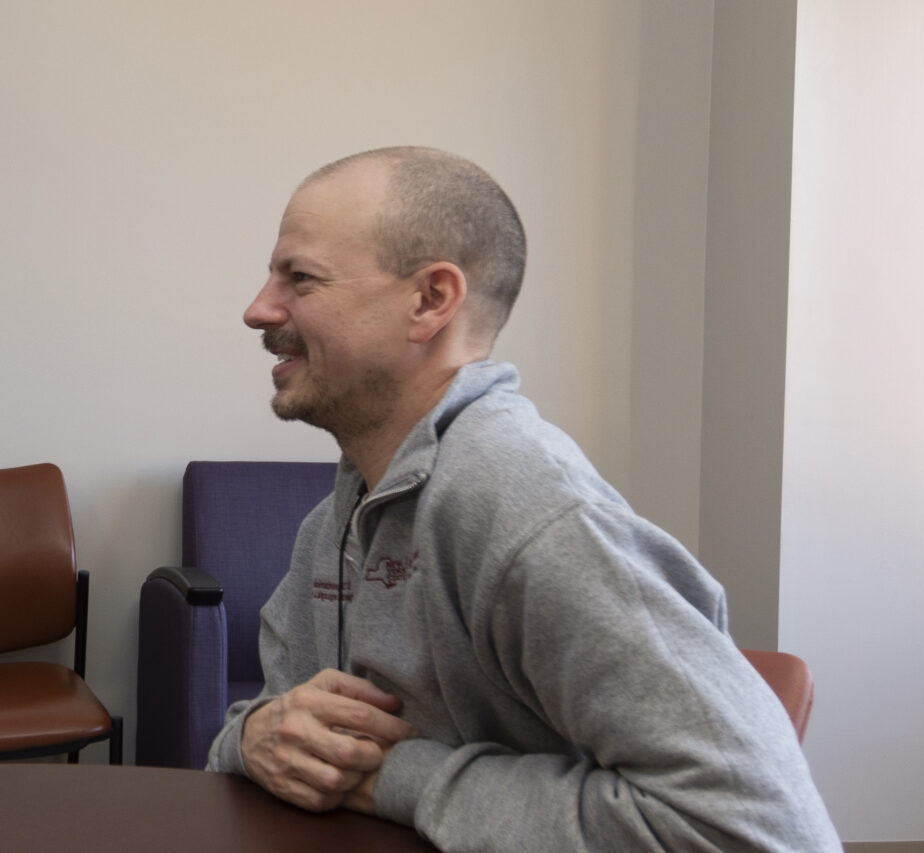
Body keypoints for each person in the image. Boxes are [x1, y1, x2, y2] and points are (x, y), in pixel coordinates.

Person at [210, 147, 840, 851]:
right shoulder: (333, 526)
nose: (258, 308)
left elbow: (760, 833)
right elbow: (271, 732)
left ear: (430, 300)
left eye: (299, 277)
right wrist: (256, 736)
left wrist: (394, 775)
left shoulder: (525, 508)